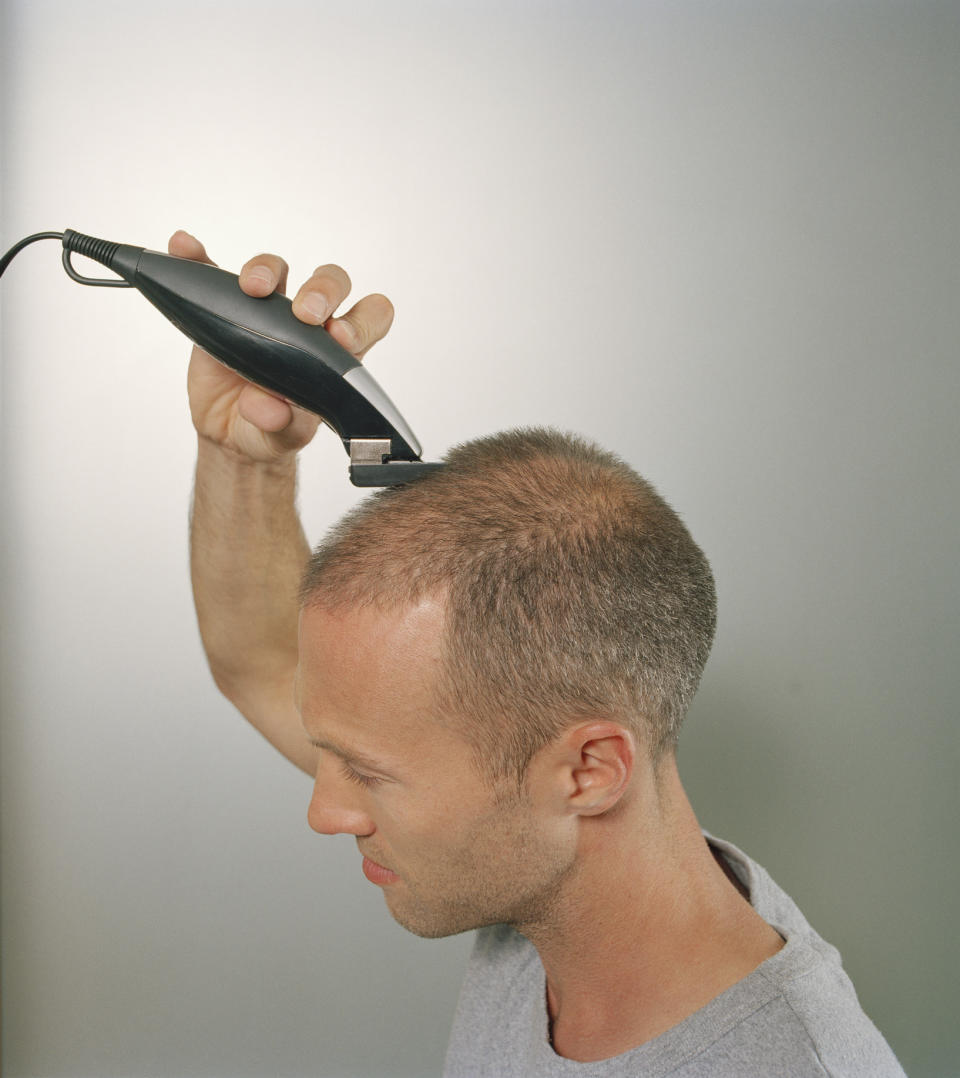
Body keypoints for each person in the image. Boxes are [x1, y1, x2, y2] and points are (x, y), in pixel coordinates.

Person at [173, 228, 906, 1077]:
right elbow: (261, 663)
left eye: (367, 774)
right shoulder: (536, 852)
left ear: (590, 771)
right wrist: (243, 460)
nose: (325, 811)